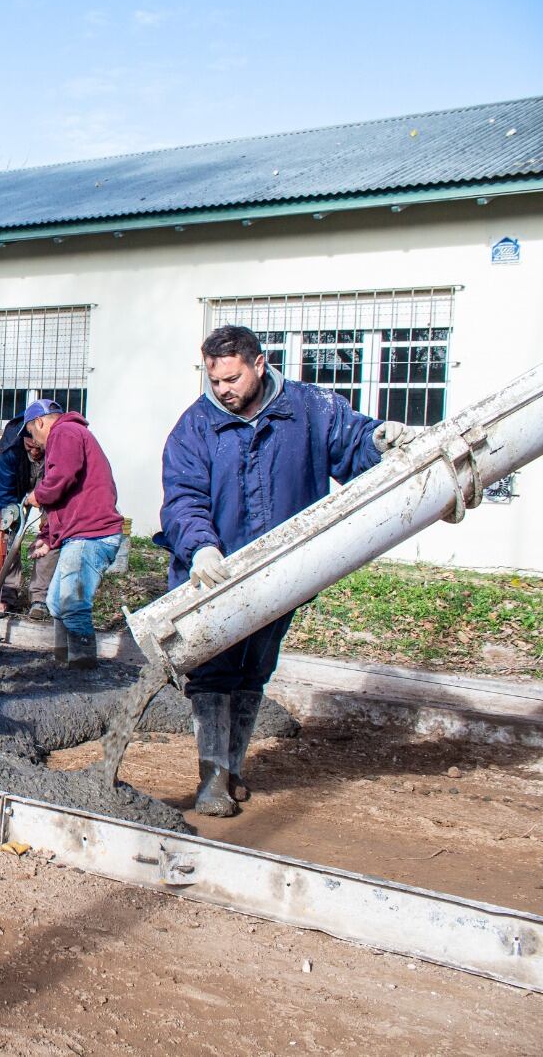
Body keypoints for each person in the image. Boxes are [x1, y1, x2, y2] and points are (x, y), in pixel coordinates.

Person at [158, 324, 410, 817]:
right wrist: (202, 548)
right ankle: (211, 779)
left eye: (231, 379)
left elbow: (354, 445)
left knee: (255, 670)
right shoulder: (195, 428)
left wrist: (379, 440)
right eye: (214, 382)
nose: (223, 390)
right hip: (218, 578)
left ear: (259, 364)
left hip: (284, 574)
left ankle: (233, 768)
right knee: (213, 672)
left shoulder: (312, 410)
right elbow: (183, 499)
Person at [19, 399, 125, 669]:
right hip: (81, 534)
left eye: (32, 433)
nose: (35, 442)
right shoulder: (71, 435)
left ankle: (82, 668)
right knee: (56, 602)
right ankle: (62, 660)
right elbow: (62, 501)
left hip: (92, 534)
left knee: (72, 603)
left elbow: (58, 482)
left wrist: (36, 496)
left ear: (40, 422)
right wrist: (47, 537)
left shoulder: (64, 433)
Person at [0, 411, 56, 620]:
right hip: (16, 488)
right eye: (31, 447)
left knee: (51, 534)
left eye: (40, 447)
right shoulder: (10, 450)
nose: (35, 452)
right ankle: (7, 592)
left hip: (50, 485)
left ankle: (40, 598)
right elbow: (3, 490)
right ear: (24, 440)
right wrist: (7, 517)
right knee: (9, 532)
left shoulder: (57, 445)